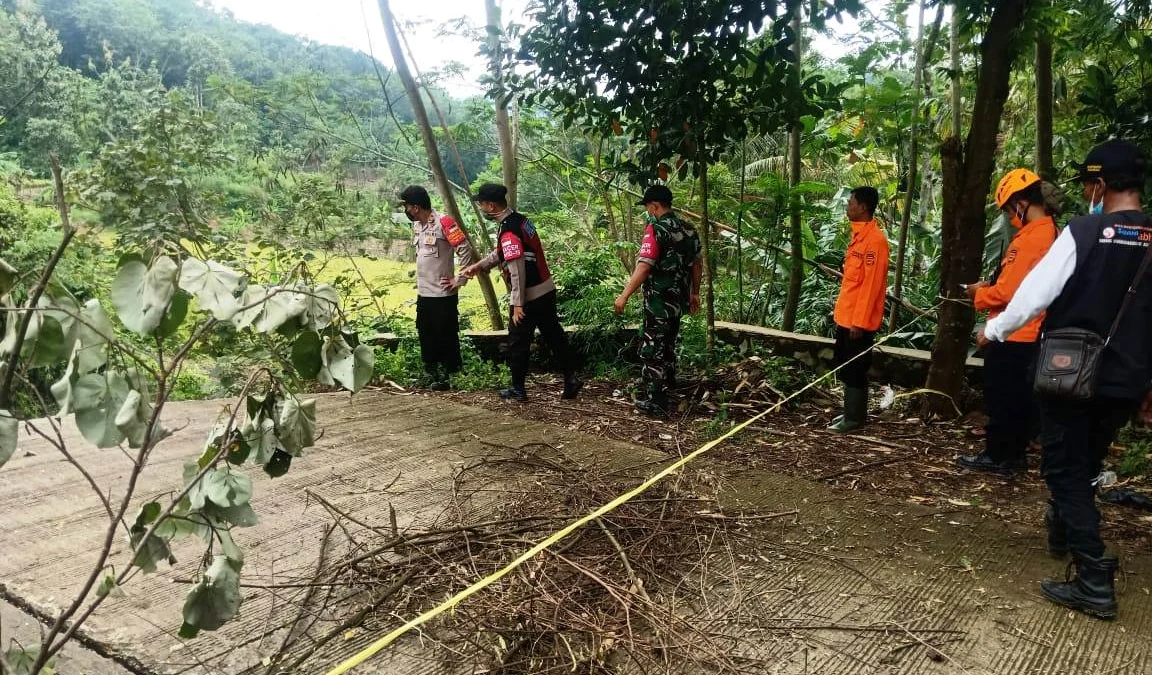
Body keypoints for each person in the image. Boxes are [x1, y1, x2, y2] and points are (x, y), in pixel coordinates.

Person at [979, 139, 1152, 620]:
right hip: (1126, 381)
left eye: (1088, 184)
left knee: (1065, 469)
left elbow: (1035, 294)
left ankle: (1094, 577)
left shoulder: (1084, 231)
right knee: (1088, 458)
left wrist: (993, 330)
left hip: (1071, 374)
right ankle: (1064, 526)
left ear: (1099, 185)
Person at [956, 169, 1057, 474]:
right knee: (1017, 400)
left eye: (1008, 209)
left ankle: (999, 456)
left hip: (1015, 334)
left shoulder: (1031, 238)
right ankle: (1011, 456)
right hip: (1029, 331)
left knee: (1002, 399)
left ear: (1021, 203)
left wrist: (978, 294)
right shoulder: (1049, 232)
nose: (1009, 217)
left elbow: (1008, 293)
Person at [460, 183, 582, 402]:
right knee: (554, 336)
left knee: (517, 341)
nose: (481, 208)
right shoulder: (520, 220)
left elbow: (517, 269)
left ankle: (518, 389)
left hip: (529, 296)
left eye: (482, 204)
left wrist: (517, 305)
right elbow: (504, 254)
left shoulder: (508, 231)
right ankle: (571, 377)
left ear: (491, 205)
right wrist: (479, 266)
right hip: (546, 289)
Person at [613, 185, 702, 417]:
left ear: (654, 205)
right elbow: (697, 264)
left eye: (648, 207)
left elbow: (644, 266)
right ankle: (669, 383)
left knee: (653, 348)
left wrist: (624, 295)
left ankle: (657, 400)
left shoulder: (655, 229)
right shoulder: (689, 229)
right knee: (670, 341)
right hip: (678, 300)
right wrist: (695, 292)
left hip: (659, 302)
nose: (648, 211)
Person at [399, 185, 475, 390]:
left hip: (443, 293)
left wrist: (459, 279)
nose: (405, 210)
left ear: (415, 207)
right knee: (425, 332)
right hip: (424, 292)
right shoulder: (417, 226)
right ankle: (432, 372)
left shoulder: (445, 222)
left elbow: (465, 249)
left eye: (406, 206)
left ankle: (451, 375)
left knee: (445, 335)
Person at [828, 186, 890, 433]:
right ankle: (850, 413)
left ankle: (854, 419)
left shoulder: (875, 242)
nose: (848, 205)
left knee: (856, 368)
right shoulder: (859, 237)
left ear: (863, 207)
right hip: (846, 317)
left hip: (857, 322)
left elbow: (871, 286)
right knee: (847, 366)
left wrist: (860, 322)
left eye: (851, 202)